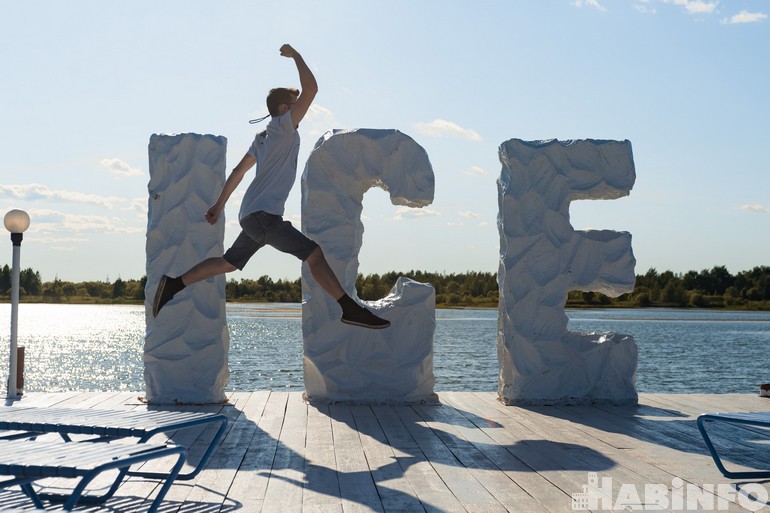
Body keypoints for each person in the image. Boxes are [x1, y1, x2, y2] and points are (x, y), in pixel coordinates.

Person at [153, 44, 390, 329]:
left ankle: (174, 284)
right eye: (294, 101)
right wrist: (297, 57)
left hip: (253, 216)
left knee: (229, 262)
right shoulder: (282, 126)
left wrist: (218, 205)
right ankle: (348, 309)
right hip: (264, 217)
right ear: (282, 109)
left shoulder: (263, 136)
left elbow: (239, 172)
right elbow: (312, 89)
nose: (300, 104)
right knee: (313, 253)